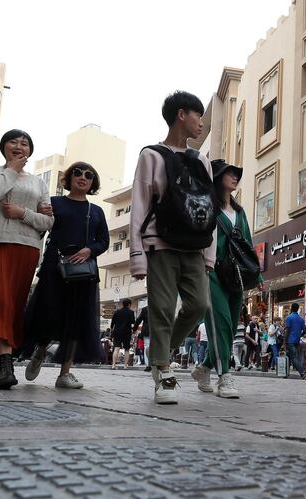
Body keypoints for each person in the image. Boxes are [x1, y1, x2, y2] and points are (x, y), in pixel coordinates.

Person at [130, 91, 216, 404]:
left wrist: (210, 254)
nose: (201, 124)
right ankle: (163, 372)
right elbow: (139, 204)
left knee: (198, 306)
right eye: (198, 116)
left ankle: (160, 353)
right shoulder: (151, 155)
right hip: (160, 243)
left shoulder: (201, 160)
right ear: (181, 115)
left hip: (194, 245)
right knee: (162, 309)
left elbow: (209, 207)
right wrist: (137, 256)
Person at [0, 129, 53, 389]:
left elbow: (48, 220)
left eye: (25, 143)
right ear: (4, 146)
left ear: (30, 150)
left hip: (26, 247)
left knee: (10, 305)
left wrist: (22, 212)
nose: (19, 146)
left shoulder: (39, 183)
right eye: (14, 142)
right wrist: (12, 170)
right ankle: (5, 364)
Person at [23, 161, 109, 389]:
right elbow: (41, 229)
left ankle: (64, 374)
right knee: (48, 316)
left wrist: (89, 250)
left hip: (83, 274)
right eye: (78, 173)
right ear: (69, 178)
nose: (83, 177)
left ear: (93, 183)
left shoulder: (97, 211)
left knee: (76, 323)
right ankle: (40, 352)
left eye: (89, 175)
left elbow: (104, 241)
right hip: (54, 269)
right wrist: (40, 214)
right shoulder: (54, 203)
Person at [191, 159, 263, 398]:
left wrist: (258, 274)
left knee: (231, 328)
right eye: (229, 173)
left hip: (237, 276)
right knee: (219, 322)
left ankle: (204, 368)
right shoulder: (207, 205)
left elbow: (248, 244)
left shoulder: (240, 212)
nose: (234, 177)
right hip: (210, 272)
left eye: (236, 174)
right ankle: (225, 377)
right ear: (217, 177)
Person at [110, 299, 136, 369]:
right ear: (129, 305)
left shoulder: (117, 312)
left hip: (117, 332)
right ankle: (125, 366)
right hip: (127, 332)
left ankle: (113, 365)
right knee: (126, 349)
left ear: (122, 304)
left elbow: (112, 323)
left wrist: (112, 330)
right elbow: (133, 321)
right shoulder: (131, 312)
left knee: (116, 348)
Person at [284, 303, 306, 377]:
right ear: (298, 309)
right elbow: (305, 331)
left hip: (290, 341)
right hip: (297, 341)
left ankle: (302, 372)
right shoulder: (301, 319)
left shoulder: (289, 318)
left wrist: (284, 342)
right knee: (295, 357)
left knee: (294, 358)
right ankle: (286, 373)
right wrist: (299, 335)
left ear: (291, 308)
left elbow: (287, 331)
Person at [133, 305, 151, 371]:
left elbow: (139, 319)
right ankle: (156, 364)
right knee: (156, 347)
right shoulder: (160, 307)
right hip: (157, 331)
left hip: (147, 330)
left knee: (147, 346)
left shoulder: (145, 309)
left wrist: (134, 328)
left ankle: (148, 365)